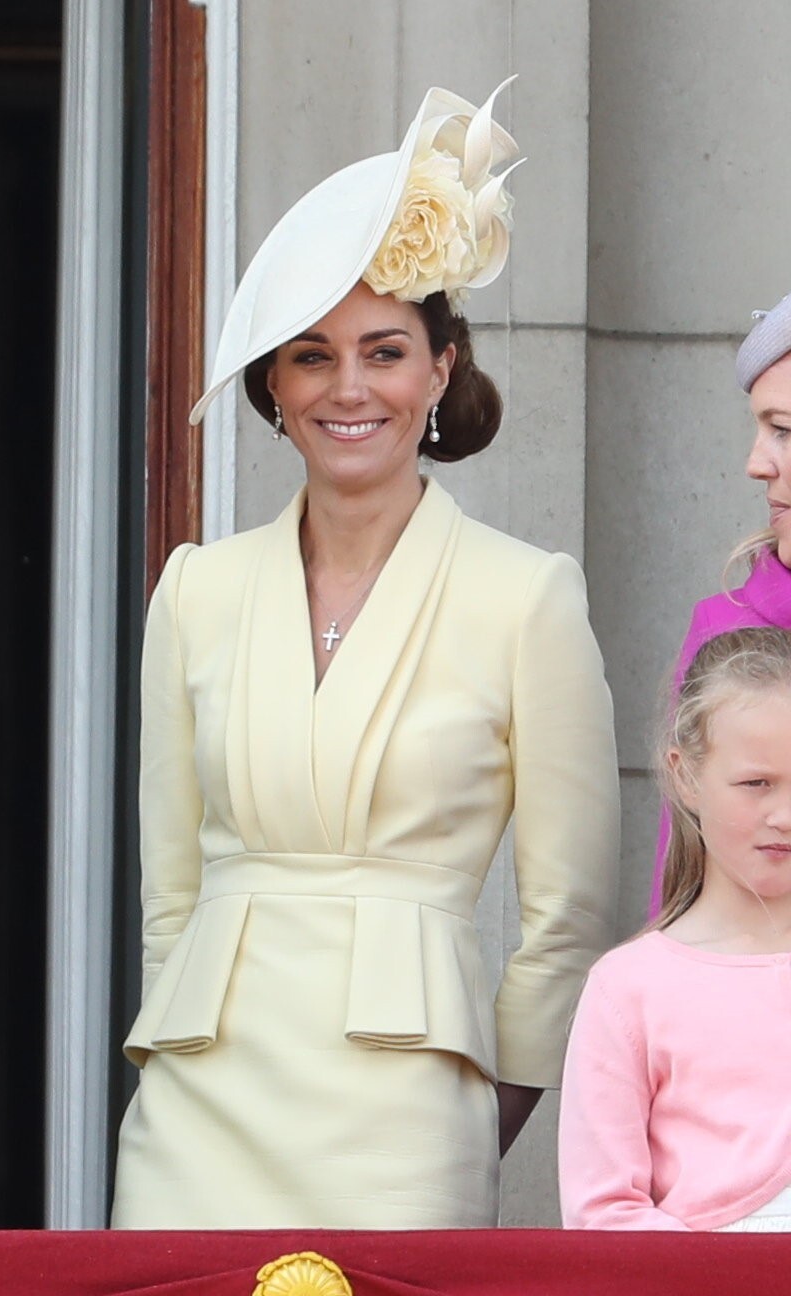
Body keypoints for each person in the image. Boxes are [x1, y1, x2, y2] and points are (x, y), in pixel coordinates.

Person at [111, 85, 620, 1230]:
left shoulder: (527, 595)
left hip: (409, 1112)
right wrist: (168, 1042)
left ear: (440, 369)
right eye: (312, 356)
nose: (348, 388)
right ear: (274, 388)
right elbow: (169, 895)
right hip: (198, 1107)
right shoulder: (195, 589)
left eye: (384, 352)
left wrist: (485, 1108)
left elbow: (567, 915)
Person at [560, 627, 791, 1231]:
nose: (785, 814)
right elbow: (602, 1210)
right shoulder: (629, 988)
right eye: (756, 783)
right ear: (685, 776)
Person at [650, 293, 791, 914]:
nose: (756, 464)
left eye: (785, 430)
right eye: (762, 428)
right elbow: (679, 888)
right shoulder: (723, 625)